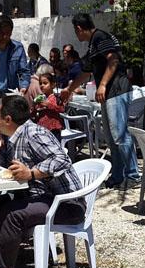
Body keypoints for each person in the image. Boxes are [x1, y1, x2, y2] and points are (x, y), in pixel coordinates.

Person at [0, 95, 85, 268]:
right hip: (43, 199)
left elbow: (62, 160)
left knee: (12, 214)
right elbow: (2, 167)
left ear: (7, 119)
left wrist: (31, 174)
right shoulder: (13, 137)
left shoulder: (33, 134)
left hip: (66, 203)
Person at [60, 13, 140, 188]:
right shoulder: (93, 45)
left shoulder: (100, 37)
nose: (76, 34)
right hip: (108, 94)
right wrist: (69, 89)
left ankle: (133, 175)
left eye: (76, 30)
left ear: (79, 28)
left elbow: (113, 60)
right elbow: (85, 72)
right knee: (111, 137)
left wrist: (102, 84)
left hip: (117, 90)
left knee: (119, 134)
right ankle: (118, 176)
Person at [32, 72, 65, 140]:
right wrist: (35, 107)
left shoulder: (56, 97)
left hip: (53, 128)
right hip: (41, 128)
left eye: (45, 83)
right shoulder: (40, 97)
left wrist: (48, 105)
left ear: (53, 85)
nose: (42, 85)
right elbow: (35, 112)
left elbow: (61, 109)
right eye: (40, 83)